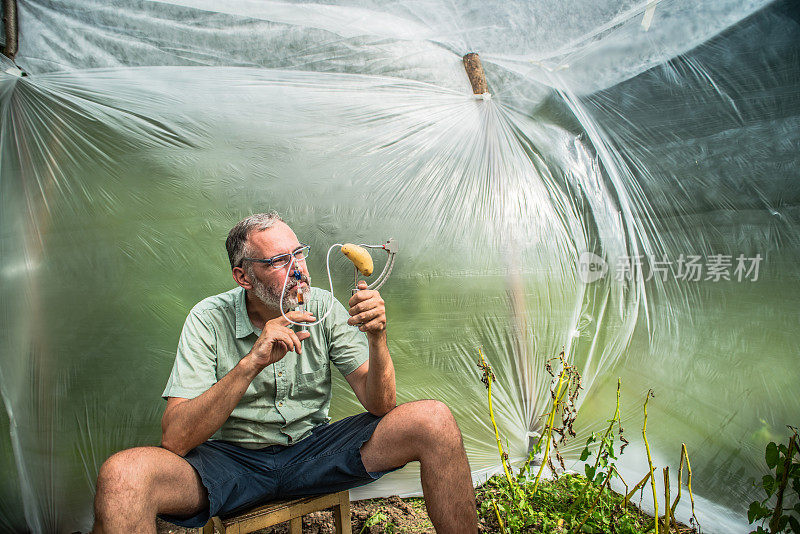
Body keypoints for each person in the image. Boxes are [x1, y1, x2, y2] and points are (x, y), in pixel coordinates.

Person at [91, 212, 478, 533]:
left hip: (315, 452)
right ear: (243, 276)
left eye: (299, 254)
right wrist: (251, 363)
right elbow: (175, 439)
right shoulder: (208, 319)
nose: (298, 271)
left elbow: (381, 405)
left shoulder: (324, 307)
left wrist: (378, 338)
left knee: (434, 420)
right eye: (279, 261)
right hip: (232, 464)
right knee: (124, 475)